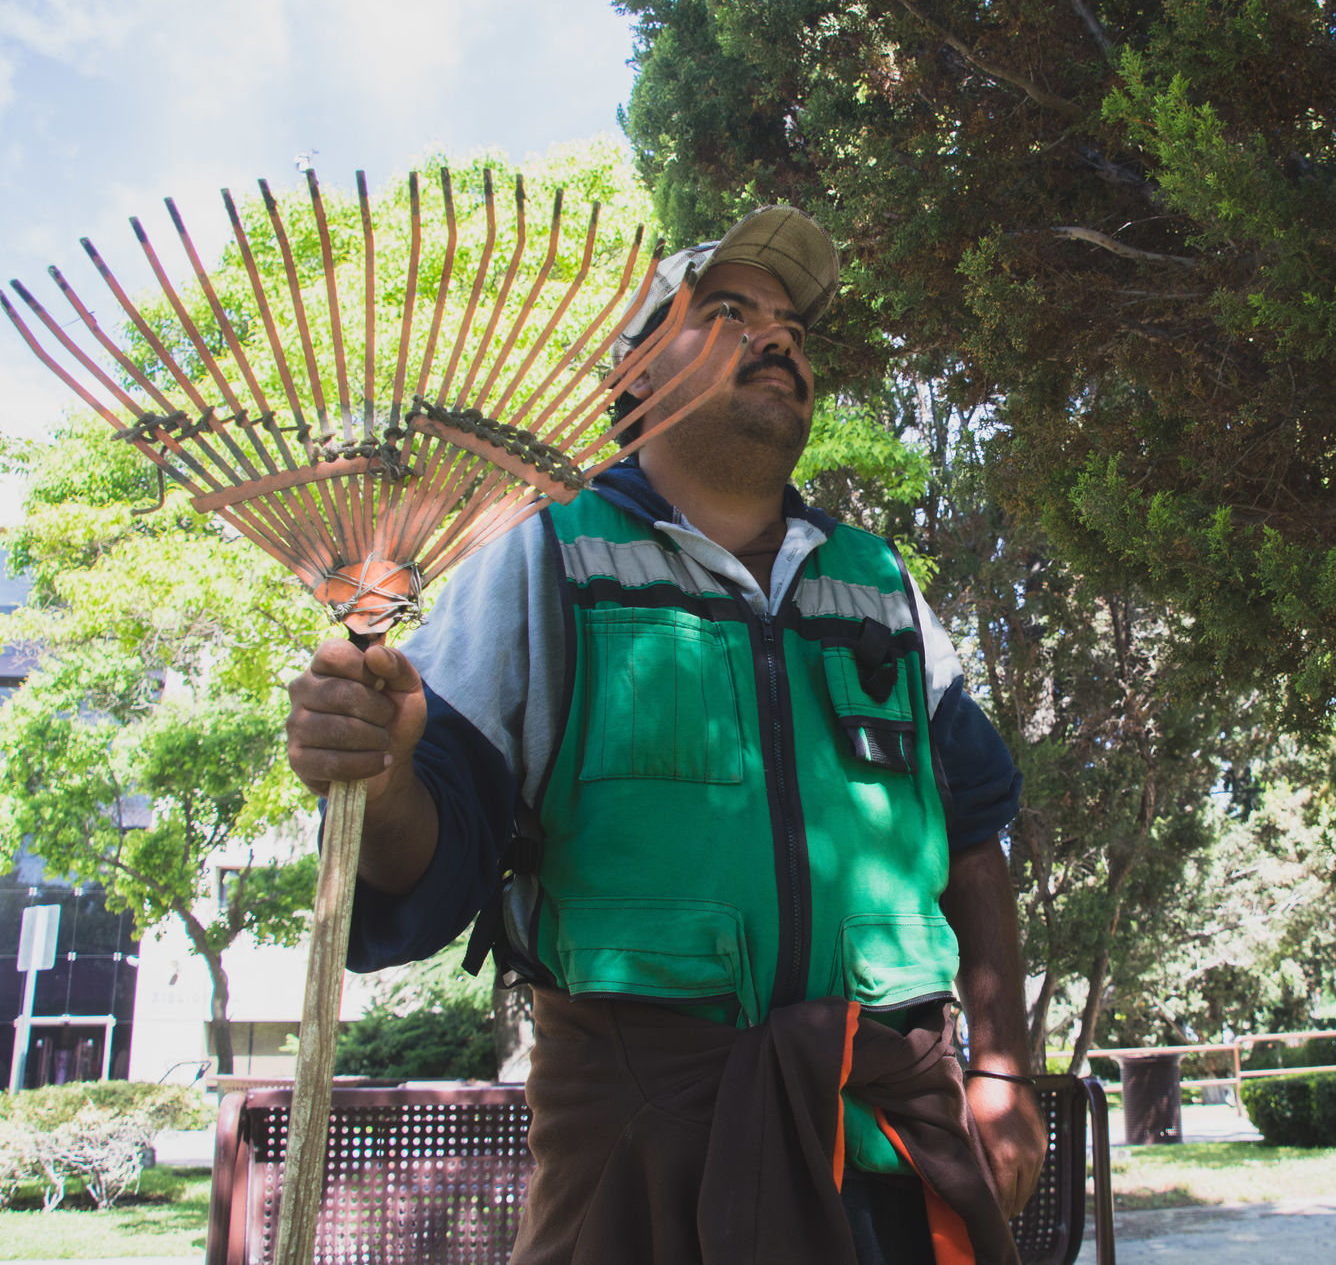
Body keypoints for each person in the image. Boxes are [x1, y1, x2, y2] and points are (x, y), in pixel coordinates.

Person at [284, 205, 1045, 1264]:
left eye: (791, 324)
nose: (777, 337)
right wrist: (391, 765)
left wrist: (1003, 1065)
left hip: (888, 1155)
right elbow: (432, 857)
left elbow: (974, 831)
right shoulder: (542, 562)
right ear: (634, 378)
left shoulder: (880, 588)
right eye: (728, 311)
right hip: (645, 1168)